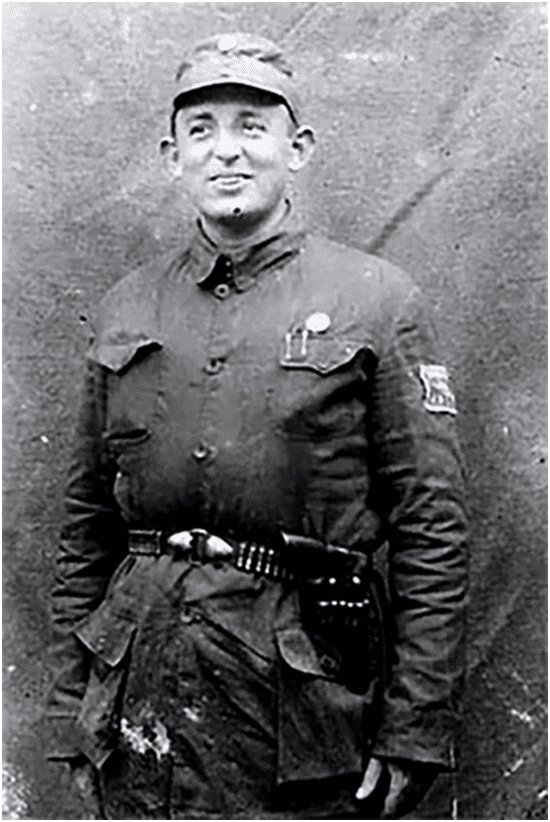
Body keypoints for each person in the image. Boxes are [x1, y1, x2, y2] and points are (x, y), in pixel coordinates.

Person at [46, 33, 468, 820]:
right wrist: (74, 709)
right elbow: (85, 525)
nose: (226, 151)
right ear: (172, 157)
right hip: (142, 693)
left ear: (296, 148)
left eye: (252, 126)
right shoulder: (126, 308)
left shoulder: (378, 301)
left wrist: (415, 725)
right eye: (201, 130)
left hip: (302, 706)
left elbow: (432, 527)